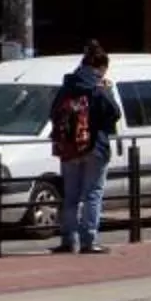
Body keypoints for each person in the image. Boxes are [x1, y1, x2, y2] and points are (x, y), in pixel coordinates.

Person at [49, 41, 122, 256]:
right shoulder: (99, 87)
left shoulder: (68, 85)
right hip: (96, 147)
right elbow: (115, 113)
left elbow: (53, 112)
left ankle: (68, 240)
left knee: (70, 196)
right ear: (100, 67)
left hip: (69, 148)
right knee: (92, 193)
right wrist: (107, 92)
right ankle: (89, 240)